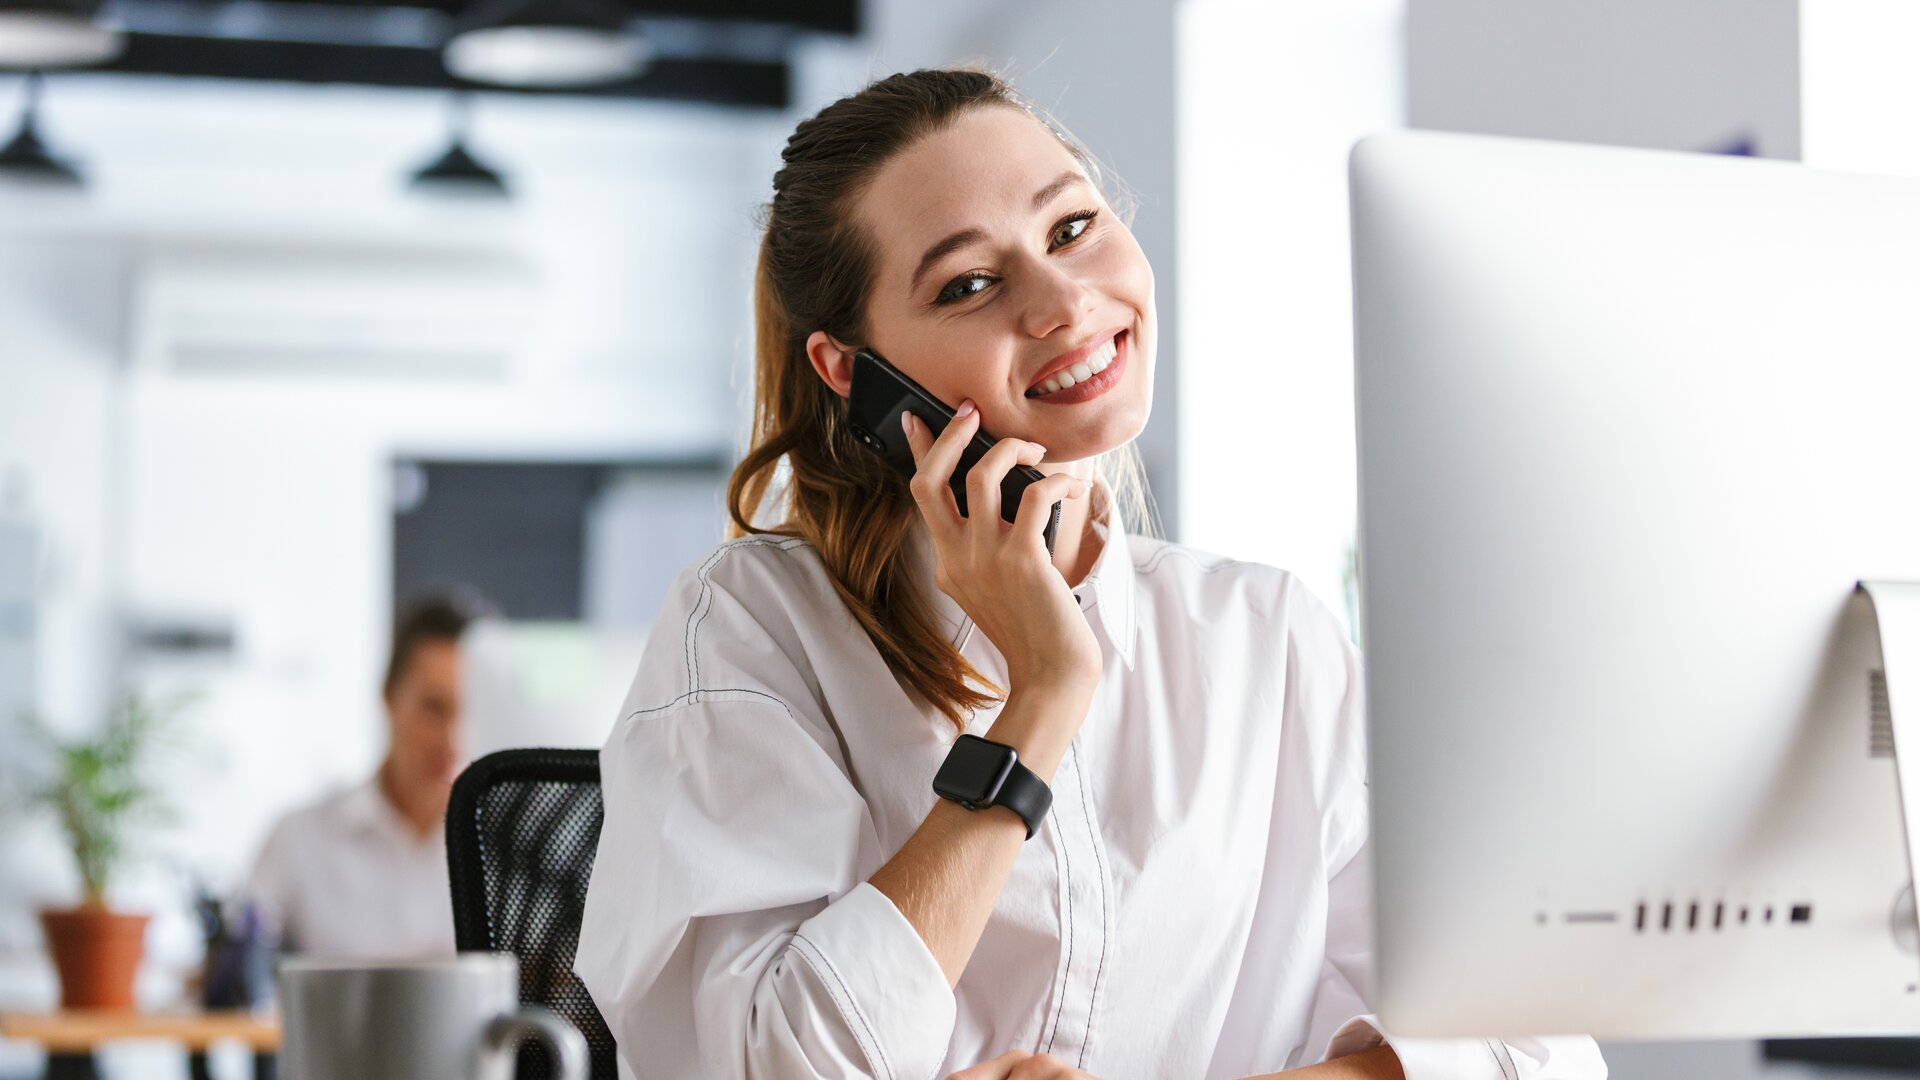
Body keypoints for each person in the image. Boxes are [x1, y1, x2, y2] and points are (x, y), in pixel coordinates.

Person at [576, 68, 1607, 1080]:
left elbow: (1534, 1048)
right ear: (853, 372)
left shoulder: (1267, 638)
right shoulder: (755, 630)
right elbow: (770, 1066)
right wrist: (1043, 696)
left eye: (1072, 228)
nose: (1063, 300)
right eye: (968, 284)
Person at [240, 592, 482, 959]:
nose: (453, 738)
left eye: (470, 712)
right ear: (389, 697)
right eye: (434, 707)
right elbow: (230, 982)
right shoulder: (299, 839)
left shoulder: (514, 852)